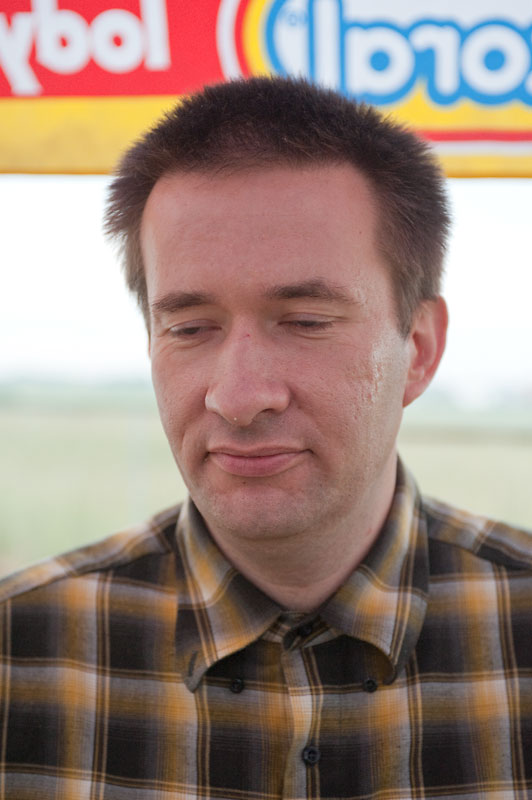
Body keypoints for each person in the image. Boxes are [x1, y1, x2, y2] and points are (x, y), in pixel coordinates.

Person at [0, 76, 530, 799]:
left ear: (418, 347)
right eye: (190, 328)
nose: (239, 397)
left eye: (306, 322)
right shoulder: (19, 654)